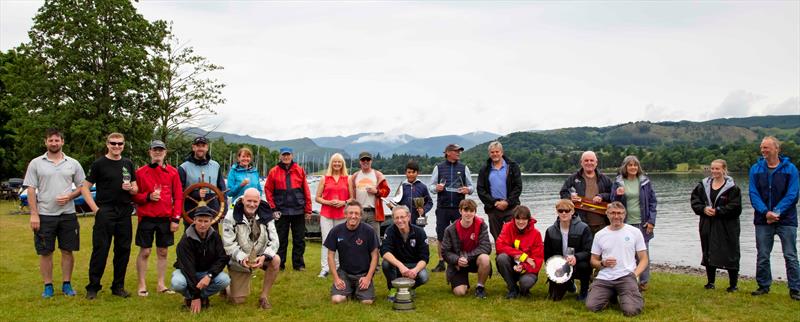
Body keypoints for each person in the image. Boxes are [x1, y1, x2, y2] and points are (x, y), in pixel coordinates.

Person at [23, 129, 96, 298]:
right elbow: (31, 190)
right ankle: (48, 286)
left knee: (67, 251)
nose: (54, 143)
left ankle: (66, 284)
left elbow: (83, 186)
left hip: (68, 215)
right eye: (51, 140)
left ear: (62, 142)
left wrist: (70, 196)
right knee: (45, 252)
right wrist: (34, 214)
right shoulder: (36, 163)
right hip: (45, 215)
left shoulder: (73, 163)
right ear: (46, 142)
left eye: (57, 140)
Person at [83, 132, 138, 299]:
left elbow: (136, 188)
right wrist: (95, 210)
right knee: (101, 249)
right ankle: (93, 287)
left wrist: (131, 189)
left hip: (124, 211)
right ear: (107, 144)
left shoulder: (128, 163)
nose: (116, 146)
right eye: (113, 143)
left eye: (120, 144)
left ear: (124, 145)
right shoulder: (99, 163)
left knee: (123, 250)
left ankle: (118, 286)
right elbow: (85, 187)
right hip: (105, 211)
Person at [748, 136, 799, 300]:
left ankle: (795, 289)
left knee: (790, 255)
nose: (763, 151)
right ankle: (763, 286)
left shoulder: (790, 169)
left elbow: (793, 194)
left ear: (777, 149)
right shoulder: (755, 169)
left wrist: (776, 212)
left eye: (766, 148)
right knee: (763, 254)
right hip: (763, 220)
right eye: (762, 147)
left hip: (786, 220)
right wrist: (765, 212)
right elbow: (753, 194)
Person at [131, 140, 183, 297]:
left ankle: (161, 284)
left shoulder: (173, 172)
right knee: (145, 251)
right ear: (150, 152)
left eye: (161, 150)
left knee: (163, 251)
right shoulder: (140, 172)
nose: (158, 152)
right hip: (146, 217)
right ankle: (142, 284)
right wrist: (147, 196)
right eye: (155, 150)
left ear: (165, 153)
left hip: (165, 218)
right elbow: (134, 196)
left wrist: (175, 219)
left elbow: (179, 197)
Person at [585, 202, 648, 317]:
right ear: (607, 214)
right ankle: (612, 294)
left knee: (631, 311)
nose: (616, 216)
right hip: (605, 277)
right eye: (613, 213)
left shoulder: (635, 232)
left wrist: (634, 275)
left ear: (625, 214)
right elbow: (593, 260)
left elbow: (644, 259)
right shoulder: (600, 235)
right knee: (591, 306)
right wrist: (602, 263)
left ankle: (631, 295)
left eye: (619, 213)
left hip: (626, 276)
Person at [222, 188, 280, 309]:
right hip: (239, 259)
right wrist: (242, 258)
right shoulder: (230, 216)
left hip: (260, 256)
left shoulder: (267, 214)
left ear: (259, 201)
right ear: (243, 200)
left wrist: (265, 256)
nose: (252, 204)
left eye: (255, 201)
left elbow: (275, 241)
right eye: (249, 201)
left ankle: (264, 297)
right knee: (238, 300)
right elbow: (228, 244)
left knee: (276, 260)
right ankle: (226, 286)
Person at [690, 159, 742, 292]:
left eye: (717, 169)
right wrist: (703, 209)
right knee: (708, 251)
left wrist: (718, 211)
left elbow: (736, 207)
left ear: (724, 169)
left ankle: (733, 285)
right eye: (712, 168)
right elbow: (695, 201)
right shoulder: (702, 185)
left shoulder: (733, 188)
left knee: (730, 252)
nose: (714, 171)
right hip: (707, 223)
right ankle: (710, 282)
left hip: (727, 226)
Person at [171, 206, 231, 313]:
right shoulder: (185, 241)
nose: (203, 224)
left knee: (224, 280)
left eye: (206, 221)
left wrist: (210, 275)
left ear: (211, 221)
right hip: (187, 272)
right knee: (177, 283)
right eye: (199, 221)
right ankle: (192, 298)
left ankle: (200, 297)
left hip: (206, 273)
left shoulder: (216, 237)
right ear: (194, 221)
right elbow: (188, 269)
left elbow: (222, 258)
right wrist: (195, 296)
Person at [610, 155, 656, 291]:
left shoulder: (645, 182)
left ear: (638, 167)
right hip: (625, 223)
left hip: (643, 223)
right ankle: (627, 280)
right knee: (625, 253)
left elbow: (653, 202)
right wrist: (618, 195)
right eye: (630, 165)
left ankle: (643, 282)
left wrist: (651, 221)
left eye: (635, 165)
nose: (633, 167)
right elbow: (613, 202)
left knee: (643, 253)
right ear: (625, 167)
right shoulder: (618, 182)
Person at [265, 147, 312, 271]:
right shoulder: (273, 171)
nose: (286, 157)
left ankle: (299, 264)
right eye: (284, 155)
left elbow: (306, 191)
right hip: (280, 210)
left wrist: (308, 209)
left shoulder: (299, 170)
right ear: (280, 156)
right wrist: (273, 208)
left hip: (298, 210)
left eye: (288, 155)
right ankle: (279, 264)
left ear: (292, 156)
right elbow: (268, 190)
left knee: (299, 239)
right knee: (280, 239)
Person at [429, 143, 475, 272]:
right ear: (448, 152)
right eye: (456, 151)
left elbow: (472, 187)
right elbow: (431, 187)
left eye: (460, 151)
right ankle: (441, 262)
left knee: (460, 235)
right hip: (442, 207)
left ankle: (459, 260)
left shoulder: (464, 167)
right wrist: (436, 188)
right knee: (441, 235)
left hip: (459, 208)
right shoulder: (438, 167)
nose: (459, 153)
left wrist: (467, 189)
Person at [325, 201, 380, 304]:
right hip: (344, 273)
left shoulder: (369, 231)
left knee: (367, 302)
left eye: (356, 213)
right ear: (345, 214)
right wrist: (336, 278)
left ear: (360, 216)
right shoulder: (336, 231)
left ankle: (355, 291)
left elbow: (375, 256)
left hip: (363, 274)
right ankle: (350, 290)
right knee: (337, 300)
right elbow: (330, 255)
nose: (353, 216)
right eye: (350, 213)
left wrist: (368, 277)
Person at [543, 199, 593, 301]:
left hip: (578, 263)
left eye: (567, 210)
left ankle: (584, 290)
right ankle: (569, 283)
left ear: (573, 211)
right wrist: (552, 267)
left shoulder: (584, 228)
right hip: (559, 265)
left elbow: (588, 251)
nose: (564, 213)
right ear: (557, 212)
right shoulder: (550, 230)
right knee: (554, 298)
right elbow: (547, 254)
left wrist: (576, 257)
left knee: (584, 265)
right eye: (561, 211)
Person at [441, 199, 491, 298]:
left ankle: (480, 288)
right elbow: (445, 251)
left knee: (485, 258)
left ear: (475, 212)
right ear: (460, 211)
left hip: (473, 259)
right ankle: (463, 283)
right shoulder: (450, 229)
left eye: (471, 211)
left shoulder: (481, 225)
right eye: (465, 210)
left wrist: (467, 257)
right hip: (458, 263)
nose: (468, 214)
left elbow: (486, 247)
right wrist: (456, 260)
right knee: (460, 292)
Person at [381, 206, 430, 301]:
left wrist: (415, 270)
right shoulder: (390, 231)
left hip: (413, 265)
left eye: (402, 217)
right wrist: (400, 266)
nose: (400, 221)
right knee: (386, 263)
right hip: (396, 266)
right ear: (393, 219)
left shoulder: (420, 232)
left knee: (424, 277)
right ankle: (393, 289)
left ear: (408, 217)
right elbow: (385, 252)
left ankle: (409, 288)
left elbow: (424, 258)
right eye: (397, 218)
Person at [315, 153, 352, 278]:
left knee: (341, 241)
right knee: (327, 241)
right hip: (326, 214)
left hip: (342, 214)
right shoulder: (324, 178)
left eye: (339, 162)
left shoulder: (348, 179)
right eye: (334, 162)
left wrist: (344, 202)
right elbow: (317, 198)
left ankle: (338, 267)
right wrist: (328, 202)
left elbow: (352, 198)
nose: (337, 164)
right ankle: (325, 268)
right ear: (331, 163)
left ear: (343, 164)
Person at [559, 151, 613, 234]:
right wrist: (570, 197)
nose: (589, 163)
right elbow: (563, 192)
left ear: (596, 163)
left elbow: (613, 195)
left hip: (602, 224)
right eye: (586, 160)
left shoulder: (605, 179)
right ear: (581, 162)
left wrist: (602, 196)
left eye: (591, 160)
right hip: (580, 224)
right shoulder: (573, 178)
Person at [477, 141, 522, 241]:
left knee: (514, 235)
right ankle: (500, 255)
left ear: (502, 152)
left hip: (511, 207)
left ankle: (514, 255)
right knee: (498, 237)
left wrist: (507, 202)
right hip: (493, 208)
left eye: (497, 151)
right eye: (492, 152)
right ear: (489, 154)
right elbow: (480, 189)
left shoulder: (512, 166)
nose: (495, 154)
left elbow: (518, 187)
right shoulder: (484, 169)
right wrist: (494, 202)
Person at [495, 205, 543, 299]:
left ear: (529, 219)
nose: (521, 222)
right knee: (501, 258)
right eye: (518, 219)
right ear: (514, 218)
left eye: (524, 219)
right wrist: (523, 257)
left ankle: (524, 289)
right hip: (512, 265)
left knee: (526, 283)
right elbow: (499, 246)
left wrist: (523, 266)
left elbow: (536, 262)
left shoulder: (536, 234)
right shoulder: (507, 227)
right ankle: (512, 289)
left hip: (528, 269)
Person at [179, 136, 227, 228]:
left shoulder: (216, 165)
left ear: (207, 148)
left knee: (213, 238)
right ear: (193, 147)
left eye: (203, 146)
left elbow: (222, 189)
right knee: (191, 238)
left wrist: (223, 210)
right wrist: (196, 194)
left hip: (213, 209)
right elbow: (178, 192)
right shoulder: (183, 167)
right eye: (198, 146)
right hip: (191, 209)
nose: (200, 148)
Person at [349, 151, 390, 244]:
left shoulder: (378, 175)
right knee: (357, 239)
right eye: (363, 159)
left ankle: (374, 258)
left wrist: (377, 192)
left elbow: (387, 191)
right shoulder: (355, 176)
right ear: (360, 161)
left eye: (368, 159)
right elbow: (350, 193)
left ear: (371, 161)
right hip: (358, 212)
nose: (365, 161)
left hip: (374, 213)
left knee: (374, 240)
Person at [390, 160, 433, 227]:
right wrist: (391, 207)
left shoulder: (423, 187)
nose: (411, 174)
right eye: (409, 172)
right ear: (405, 173)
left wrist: (424, 210)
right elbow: (396, 203)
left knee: (419, 235)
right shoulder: (402, 187)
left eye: (413, 172)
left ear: (417, 173)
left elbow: (429, 202)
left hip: (420, 220)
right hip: (404, 220)